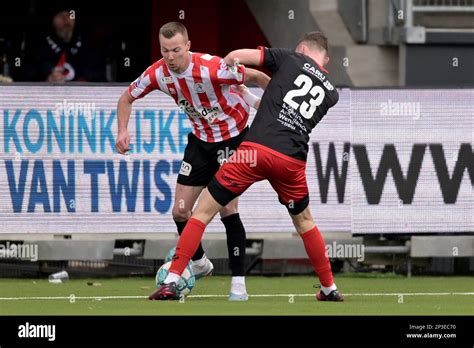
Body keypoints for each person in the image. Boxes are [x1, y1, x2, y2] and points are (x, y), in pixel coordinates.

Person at [150, 31, 344, 302]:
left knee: (203, 212)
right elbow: (280, 109)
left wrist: (230, 67)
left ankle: (172, 281)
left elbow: (235, 57)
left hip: (253, 153)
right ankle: (329, 288)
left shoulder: (290, 58)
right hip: (291, 161)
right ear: (326, 60)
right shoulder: (331, 94)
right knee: (305, 222)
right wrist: (250, 97)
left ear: (301, 48)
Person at [115, 22, 270, 301]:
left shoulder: (213, 67)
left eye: (176, 50)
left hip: (233, 140)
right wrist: (122, 130)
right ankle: (199, 263)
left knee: (227, 209)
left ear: (188, 45)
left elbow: (257, 76)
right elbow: (126, 98)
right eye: (165, 51)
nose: (170, 57)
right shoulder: (158, 73)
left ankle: (238, 284)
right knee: (180, 212)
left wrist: (276, 107)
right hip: (200, 143)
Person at [24, 8, 105, 82]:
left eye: (70, 15)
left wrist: (85, 80)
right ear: (52, 20)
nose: (66, 19)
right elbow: (27, 75)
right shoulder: (38, 47)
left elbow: (100, 76)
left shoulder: (88, 45)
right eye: (60, 16)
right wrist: (47, 80)